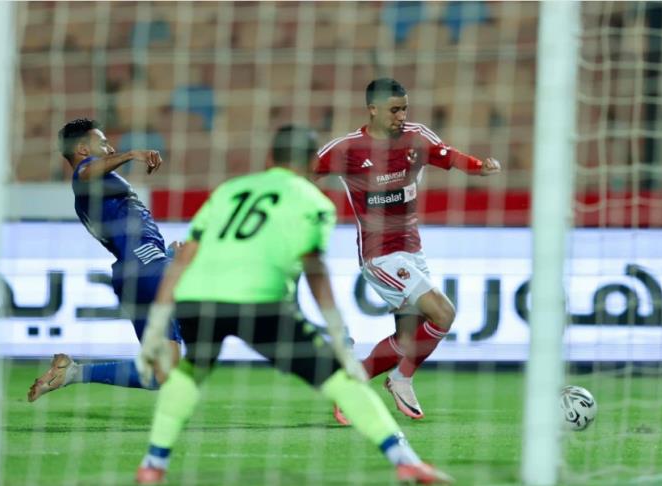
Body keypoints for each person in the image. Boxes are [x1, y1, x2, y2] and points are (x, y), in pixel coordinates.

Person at [134, 125, 453, 485]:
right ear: (310, 162)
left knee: (190, 374)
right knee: (341, 380)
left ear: (271, 157)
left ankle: (152, 465)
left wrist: (157, 324)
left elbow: (185, 256)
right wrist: (337, 333)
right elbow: (315, 271)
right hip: (260, 303)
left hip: (199, 297)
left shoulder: (230, 190)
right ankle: (406, 461)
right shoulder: (312, 201)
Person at [315, 78, 501, 423]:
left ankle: (352, 385)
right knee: (443, 313)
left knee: (406, 338)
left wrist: (480, 167)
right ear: (373, 109)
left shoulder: (417, 137)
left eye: (404, 109)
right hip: (379, 255)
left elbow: (448, 156)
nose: (401, 116)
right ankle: (402, 378)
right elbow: (305, 173)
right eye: (394, 110)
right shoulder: (348, 148)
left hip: (412, 250)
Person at [27, 118, 182, 402]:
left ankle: (73, 373)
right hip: (145, 265)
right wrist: (132, 154)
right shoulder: (85, 175)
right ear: (83, 149)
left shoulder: (93, 192)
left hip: (134, 272)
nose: (110, 148)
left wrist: (167, 255)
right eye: (103, 143)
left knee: (161, 374)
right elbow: (86, 173)